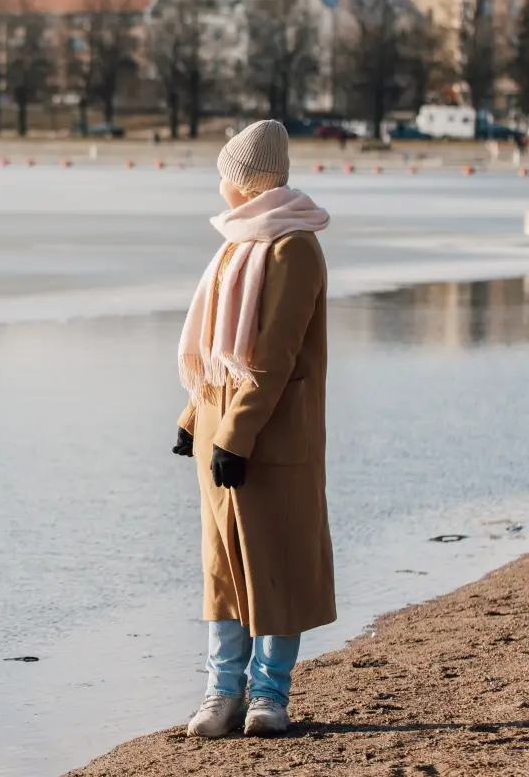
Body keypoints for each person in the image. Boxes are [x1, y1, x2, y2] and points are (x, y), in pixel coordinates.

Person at [173, 119, 335, 738]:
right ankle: (221, 693)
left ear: (245, 183)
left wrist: (235, 436)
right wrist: (194, 417)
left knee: (273, 567)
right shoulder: (238, 244)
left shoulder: (292, 248)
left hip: (270, 437)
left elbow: (272, 358)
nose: (221, 189)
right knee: (223, 571)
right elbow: (219, 352)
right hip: (222, 431)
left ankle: (269, 695)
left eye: (225, 177)